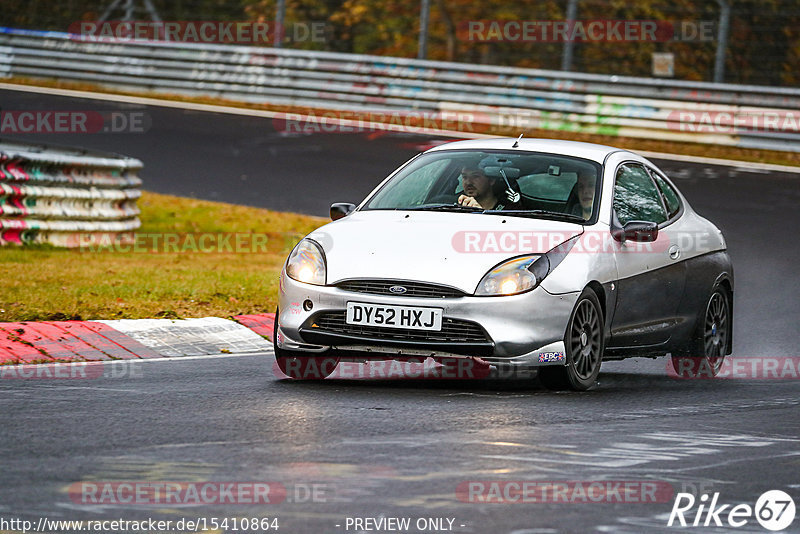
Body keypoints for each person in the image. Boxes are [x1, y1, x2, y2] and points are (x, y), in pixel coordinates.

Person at [457, 164, 522, 210]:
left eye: (475, 176)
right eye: (465, 177)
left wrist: (479, 212)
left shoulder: (509, 210)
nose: (468, 182)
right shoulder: (454, 206)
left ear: (491, 180)